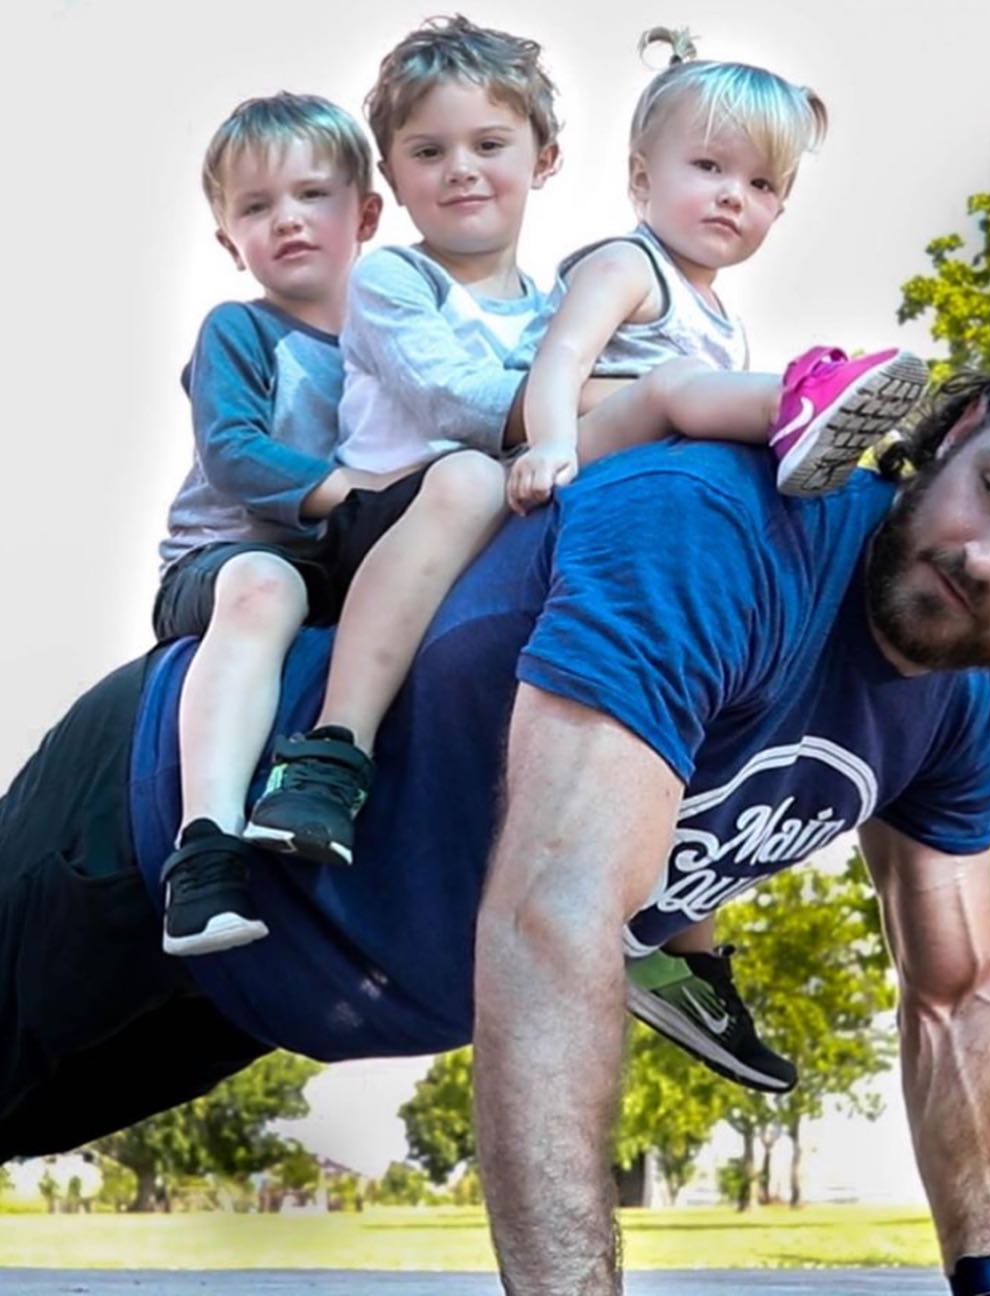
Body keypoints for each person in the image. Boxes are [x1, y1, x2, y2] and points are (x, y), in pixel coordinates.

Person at [0, 322, 990, 1296]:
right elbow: (555, 916)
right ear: (961, 425)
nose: (985, 557)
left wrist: (986, 1277)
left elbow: (960, 991)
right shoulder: (718, 530)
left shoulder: (954, 710)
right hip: (141, 830)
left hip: (276, 985)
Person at [239, 21, 925, 1093]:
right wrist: (557, 437)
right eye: (709, 168)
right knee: (661, 401)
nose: (732, 196)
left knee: (705, 677)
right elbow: (524, 385)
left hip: (579, 490)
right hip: (436, 494)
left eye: (760, 184)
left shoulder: (694, 310)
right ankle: (333, 747)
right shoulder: (581, 267)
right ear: (640, 176)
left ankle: (678, 943)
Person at [150, 93, 396, 957]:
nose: (286, 220)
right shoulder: (241, 330)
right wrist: (357, 491)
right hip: (227, 560)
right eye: (257, 207)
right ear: (231, 241)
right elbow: (235, 453)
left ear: (364, 211)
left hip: (341, 563)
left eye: (311, 195)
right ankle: (204, 852)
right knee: (266, 585)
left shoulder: (399, 337)